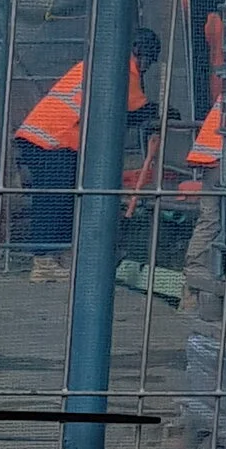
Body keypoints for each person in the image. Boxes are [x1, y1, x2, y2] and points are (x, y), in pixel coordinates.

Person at [11, 31, 154, 278]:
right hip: (54, 140)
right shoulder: (122, 68)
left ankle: (56, 256)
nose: (145, 68)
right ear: (141, 54)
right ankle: (44, 261)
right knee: (54, 200)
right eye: (148, 61)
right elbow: (135, 111)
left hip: (43, 137)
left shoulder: (96, 64)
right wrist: (161, 113)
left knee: (62, 199)